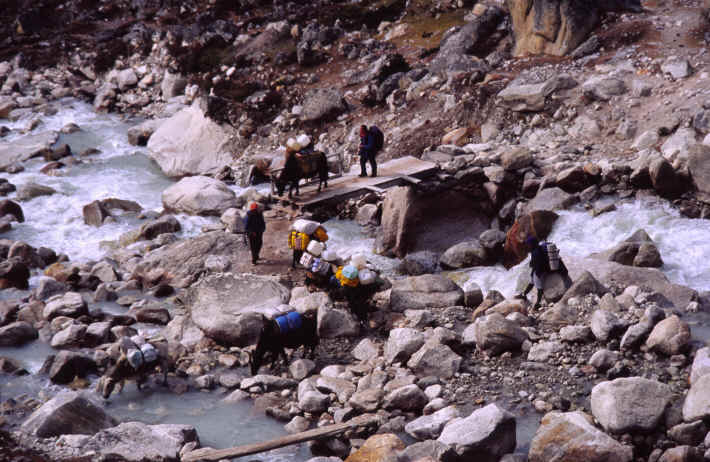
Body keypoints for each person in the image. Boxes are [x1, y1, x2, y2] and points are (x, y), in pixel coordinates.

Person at [518, 236, 571, 309]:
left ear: (532, 244)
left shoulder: (535, 252)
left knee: (539, 288)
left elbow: (538, 264)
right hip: (542, 269)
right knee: (531, 282)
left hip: (541, 271)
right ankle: (524, 294)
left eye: (528, 244)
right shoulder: (537, 249)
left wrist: (536, 273)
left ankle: (538, 303)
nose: (528, 246)